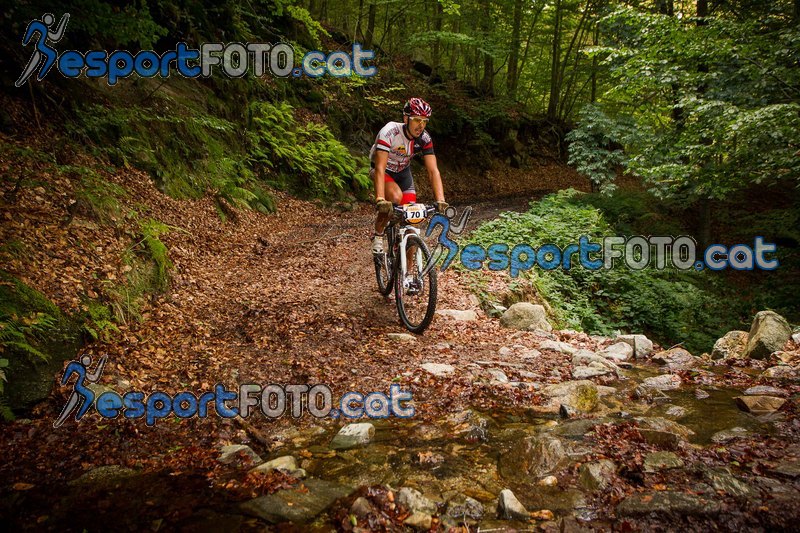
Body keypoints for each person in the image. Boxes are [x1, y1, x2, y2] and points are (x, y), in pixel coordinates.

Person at [369, 97, 448, 255]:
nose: (421, 125)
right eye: (417, 120)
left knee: (412, 228)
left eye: (425, 121)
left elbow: (433, 171)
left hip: (403, 173)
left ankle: (409, 275)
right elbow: (380, 167)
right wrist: (380, 199)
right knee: (395, 197)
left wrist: (441, 200)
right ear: (406, 119)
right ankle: (378, 234)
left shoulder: (424, 139)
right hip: (383, 170)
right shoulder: (390, 131)